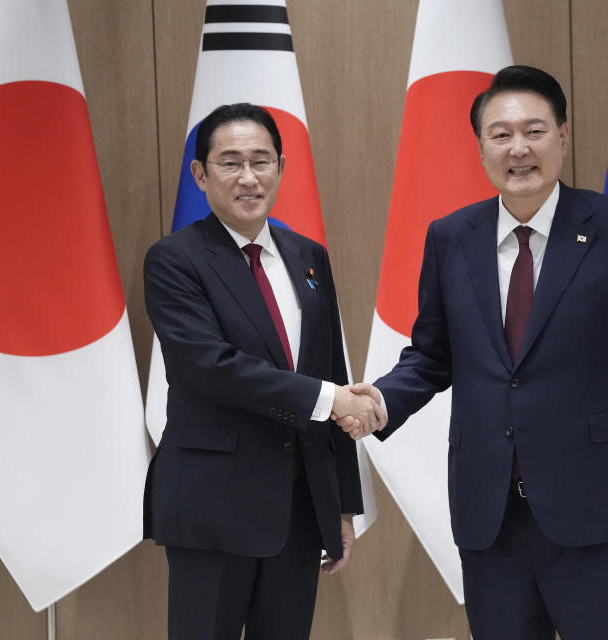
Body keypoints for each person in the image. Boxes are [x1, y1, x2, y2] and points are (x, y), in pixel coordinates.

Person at [344, 66, 608, 639]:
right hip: (491, 510)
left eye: (534, 131)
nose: (518, 148)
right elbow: (431, 356)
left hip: (599, 502)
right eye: (500, 135)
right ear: (480, 147)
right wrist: (380, 400)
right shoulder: (450, 237)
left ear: (563, 137)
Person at [143, 103, 384, 640]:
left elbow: (332, 373)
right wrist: (331, 399)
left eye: (262, 160)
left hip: (298, 510)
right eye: (230, 163)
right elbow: (212, 367)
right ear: (200, 174)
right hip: (213, 506)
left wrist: (341, 507)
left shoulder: (309, 256)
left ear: (280, 167)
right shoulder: (175, 260)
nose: (248, 177)